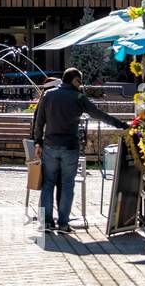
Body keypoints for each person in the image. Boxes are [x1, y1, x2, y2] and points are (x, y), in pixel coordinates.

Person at [32, 66, 129, 234]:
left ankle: (46, 223)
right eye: (80, 81)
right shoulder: (78, 97)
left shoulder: (48, 95)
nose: (81, 84)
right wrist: (121, 125)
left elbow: (39, 121)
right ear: (74, 80)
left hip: (50, 146)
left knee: (48, 184)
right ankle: (63, 224)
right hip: (70, 146)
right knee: (68, 185)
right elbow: (99, 115)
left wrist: (37, 142)